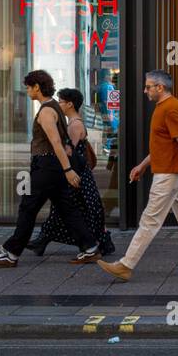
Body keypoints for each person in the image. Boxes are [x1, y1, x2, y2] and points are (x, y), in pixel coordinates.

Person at [98, 70, 178, 282]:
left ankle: (126, 265)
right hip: (169, 171)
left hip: (169, 174)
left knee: (149, 220)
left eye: (148, 87)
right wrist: (143, 165)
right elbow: (164, 145)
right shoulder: (163, 108)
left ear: (160, 88)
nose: (145, 90)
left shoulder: (171, 109)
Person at [0, 70, 102, 267]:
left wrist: (68, 170)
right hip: (53, 168)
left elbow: (56, 142)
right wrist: (65, 170)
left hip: (47, 168)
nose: (27, 91)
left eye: (28, 87)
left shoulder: (47, 111)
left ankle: (11, 253)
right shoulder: (55, 107)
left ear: (37, 87)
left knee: (28, 208)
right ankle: (90, 248)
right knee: (68, 209)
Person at [27, 88, 116, 258]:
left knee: (77, 209)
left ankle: (101, 242)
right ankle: (42, 241)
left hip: (77, 175)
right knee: (69, 209)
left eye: (60, 101)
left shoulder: (74, 125)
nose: (58, 104)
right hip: (78, 174)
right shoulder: (73, 122)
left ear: (69, 104)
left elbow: (70, 152)